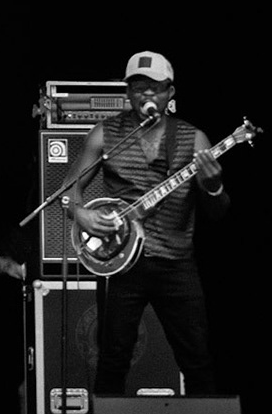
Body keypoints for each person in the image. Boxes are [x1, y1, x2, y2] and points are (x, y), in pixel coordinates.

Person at [66, 50, 228, 395]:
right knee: (112, 359)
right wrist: (80, 213)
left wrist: (214, 186)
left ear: (170, 92)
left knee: (197, 360)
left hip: (176, 263)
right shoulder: (105, 134)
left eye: (155, 87)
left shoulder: (193, 138)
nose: (147, 94)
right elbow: (69, 191)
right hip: (122, 263)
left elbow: (217, 213)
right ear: (128, 93)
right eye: (139, 87)